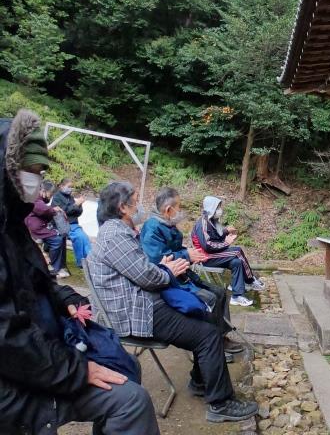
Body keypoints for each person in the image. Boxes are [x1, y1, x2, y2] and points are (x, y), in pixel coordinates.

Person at [0, 109, 160, 435]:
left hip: (49, 344)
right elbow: (7, 338)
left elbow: (36, 285)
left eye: (41, 171)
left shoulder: (13, 227)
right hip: (17, 377)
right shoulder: (117, 234)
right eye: (31, 171)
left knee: (126, 367)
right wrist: (76, 369)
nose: (37, 180)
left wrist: (67, 297)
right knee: (131, 394)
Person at [91, 181, 258, 423]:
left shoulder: (117, 231)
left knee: (206, 313)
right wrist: (168, 268)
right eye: (135, 201)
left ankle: (201, 381)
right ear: (122, 207)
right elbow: (148, 276)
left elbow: (144, 270)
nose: (140, 206)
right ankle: (220, 403)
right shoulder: (116, 235)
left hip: (143, 302)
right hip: (137, 312)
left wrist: (166, 268)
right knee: (208, 335)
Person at [140, 187, 243, 354]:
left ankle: (220, 336)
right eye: (178, 206)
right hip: (169, 282)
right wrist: (187, 254)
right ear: (168, 209)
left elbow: (174, 248)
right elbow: (157, 260)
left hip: (184, 275)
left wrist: (190, 253)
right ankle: (212, 344)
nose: (179, 210)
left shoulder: (167, 224)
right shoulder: (152, 228)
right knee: (210, 298)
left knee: (220, 292)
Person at [192, 196, 264, 307]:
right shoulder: (202, 223)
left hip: (213, 255)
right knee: (237, 251)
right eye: (218, 207)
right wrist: (226, 243)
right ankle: (250, 280)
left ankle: (237, 296)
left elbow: (215, 237)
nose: (220, 210)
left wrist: (226, 232)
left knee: (237, 262)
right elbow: (207, 245)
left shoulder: (210, 221)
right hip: (206, 258)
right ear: (211, 208)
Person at [25, 178, 71, 277]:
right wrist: (54, 210)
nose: (51, 196)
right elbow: (42, 210)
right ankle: (54, 267)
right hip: (35, 229)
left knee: (61, 237)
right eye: (50, 193)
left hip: (40, 227)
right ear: (43, 191)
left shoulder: (38, 198)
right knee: (57, 239)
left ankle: (58, 265)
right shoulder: (35, 198)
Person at [53, 174, 92, 264]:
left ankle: (89, 261)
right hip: (63, 225)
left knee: (85, 238)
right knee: (79, 237)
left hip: (73, 224)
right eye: (69, 187)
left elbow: (78, 213)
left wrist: (80, 204)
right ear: (61, 186)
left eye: (72, 187)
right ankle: (81, 262)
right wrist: (75, 205)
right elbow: (63, 212)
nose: (71, 189)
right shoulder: (57, 197)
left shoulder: (70, 197)